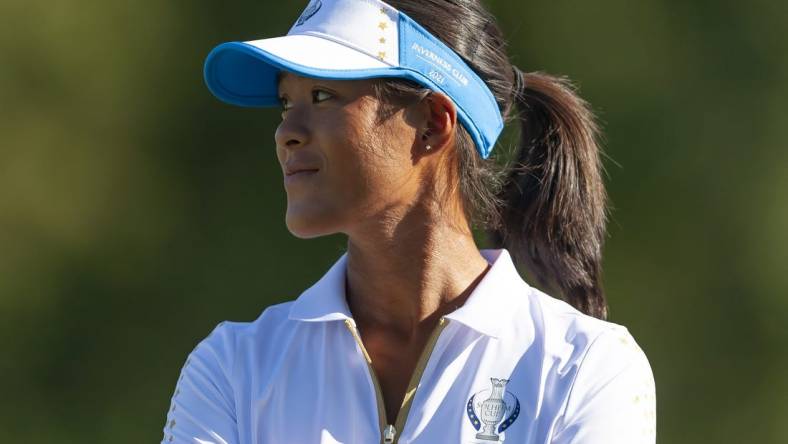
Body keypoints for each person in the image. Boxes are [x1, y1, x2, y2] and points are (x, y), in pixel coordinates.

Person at [161, 0, 656, 442]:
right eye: (286, 103)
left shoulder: (585, 368)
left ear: (433, 124)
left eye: (322, 97)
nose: (286, 132)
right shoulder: (234, 366)